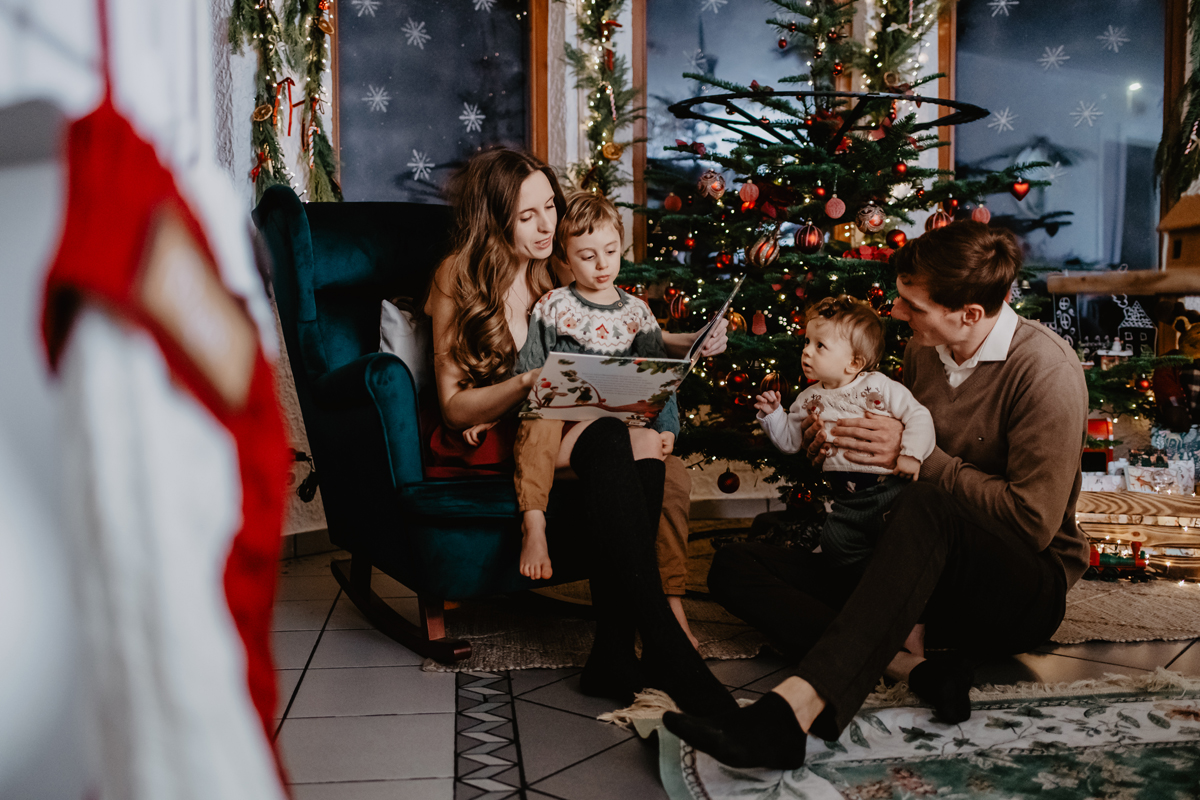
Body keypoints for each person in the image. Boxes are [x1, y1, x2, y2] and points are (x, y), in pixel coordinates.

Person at [664, 220, 1088, 768]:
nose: (896, 312)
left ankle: (790, 714)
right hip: (915, 573)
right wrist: (832, 446)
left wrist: (922, 461)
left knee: (925, 501)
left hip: (1014, 589)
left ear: (969, 314)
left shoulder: (1045, 370)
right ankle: (914, 669)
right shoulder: (923, 351)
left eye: (914, 305)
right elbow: (884, 455)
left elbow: (1031, 524)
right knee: (735, 567)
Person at [424, 147, 735, 714]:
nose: (548, 225)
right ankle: (662, 645)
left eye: (550, 206)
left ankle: (614, 653)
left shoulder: (556, 265)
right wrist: (531, 381)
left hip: (577, 421)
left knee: (649, 447)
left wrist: (685, 341)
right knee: (614, 439)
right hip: (508, 432)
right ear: (494, 220)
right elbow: (454, 409)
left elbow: (615, 328)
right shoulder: (457, 277)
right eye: (527, 216)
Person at [508, 191, 680, 581]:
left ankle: (641, 572)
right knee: (540, 415)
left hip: (619, 422)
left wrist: (668, 428)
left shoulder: (638, 311)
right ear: (565, 258)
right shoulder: (553, 305)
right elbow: (527, 371)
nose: (602, 265)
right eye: (587, 256)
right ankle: (534, 523)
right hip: (562, 427)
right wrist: (490, 418)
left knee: (647, 440)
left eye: (611, 252)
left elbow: (660, 377)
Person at [755, 294, 934, 567]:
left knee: (898, 539)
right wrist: (774, 414)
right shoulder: (807, 399)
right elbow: (790, 442)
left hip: (889, 491)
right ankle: (861, 577)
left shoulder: (879, 386)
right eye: (807, 342)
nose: (806, 351)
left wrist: (911, 454)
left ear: (854, 363)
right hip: (846, 501)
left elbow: (919, 416)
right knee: (835, 542)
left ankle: (893, 574)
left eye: (820, 345)